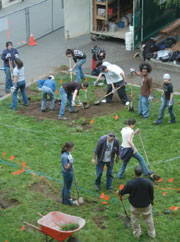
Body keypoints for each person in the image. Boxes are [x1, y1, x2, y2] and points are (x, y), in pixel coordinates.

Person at [118, 166, 155, 239]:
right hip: (146, 205)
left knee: (135, 220)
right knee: (149, 219)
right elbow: (151, 194)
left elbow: (123, 192)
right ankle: (152, 233)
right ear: (142, 173)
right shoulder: (148, 182)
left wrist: (119, 192)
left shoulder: (130, 183)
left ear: (135, 173)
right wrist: (152, 201)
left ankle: (137, 234)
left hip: (135, 206)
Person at [61, 142, 75, 206]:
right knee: (68, 189)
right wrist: (70, 163)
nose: (73, 148)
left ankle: (64, 200)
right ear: (69, 148)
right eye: (72, 147)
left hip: (67, 173)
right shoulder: (64, 156)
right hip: (68, 174)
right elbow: (66, 167)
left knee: (65, 186)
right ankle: (68, 201)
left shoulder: (67, 154)